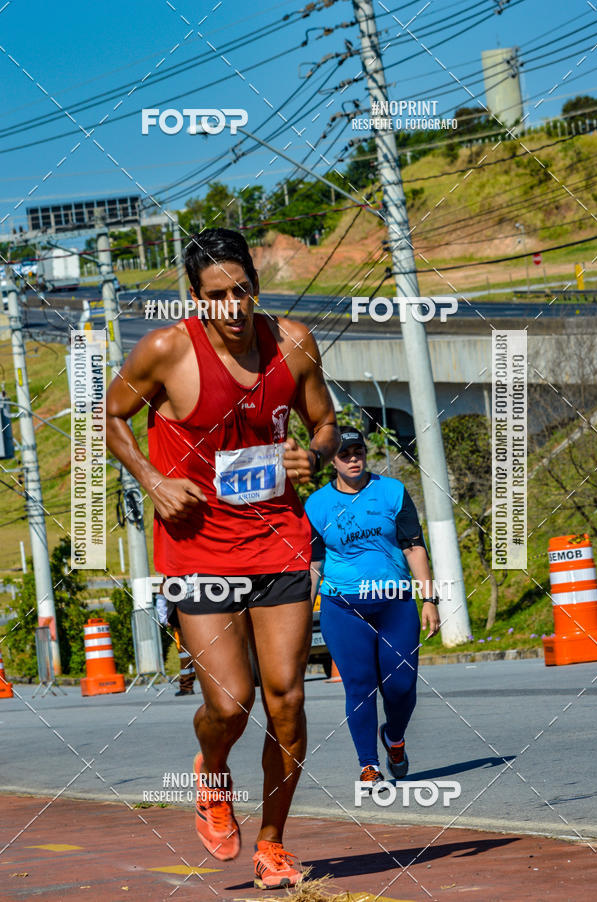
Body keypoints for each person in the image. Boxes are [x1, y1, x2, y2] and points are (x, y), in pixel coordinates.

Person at [106, 227, 339, 890]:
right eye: (217, 296)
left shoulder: (291, 343)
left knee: (287, 699)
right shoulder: (166, 350)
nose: (233, 307)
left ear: (256, 289)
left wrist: (313, 454)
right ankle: (212, 773)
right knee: (232, 704)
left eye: (243, 291)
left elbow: (324, 422)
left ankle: (272, 842)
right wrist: (152, 481)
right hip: (196, 542)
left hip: (276, 536)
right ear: (196, 298)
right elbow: (114, 416)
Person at [304, 428, 440, 787]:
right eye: (345, 454)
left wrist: (429, 598)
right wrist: (302, 614)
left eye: (358, 452)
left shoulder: (391, 492)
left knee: (402, 686)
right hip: (343, 608)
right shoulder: (316, 505)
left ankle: (394, 737)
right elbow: (315, 564)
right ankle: (368, 764)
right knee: (359, 685)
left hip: (395, 602)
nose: (353, 459)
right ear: (332, 460)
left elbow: (413, 546)